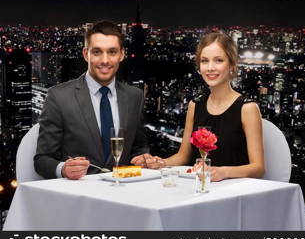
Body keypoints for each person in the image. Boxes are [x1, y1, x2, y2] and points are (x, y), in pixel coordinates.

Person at [134, 32, 265, 181]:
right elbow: (183, 156)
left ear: (232, 65)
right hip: (198, 187)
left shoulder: (247, 108)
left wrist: (223, 172)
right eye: (204, 61)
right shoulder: (194, 105)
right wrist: (161, 163)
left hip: (234, 191)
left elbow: (258, 168)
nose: (210, 68)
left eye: (218, 60)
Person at [34, 20, 149, 179]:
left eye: (112, 52)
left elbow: (140, 147)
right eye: (97, 52)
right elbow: (41, 160)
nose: (105, 60)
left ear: (122, 54)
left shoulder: (135, 96)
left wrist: (143, 159)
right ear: (85, 54)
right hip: (79, 197)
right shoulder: (58, 97)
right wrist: (63, 169)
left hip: (124, 194)